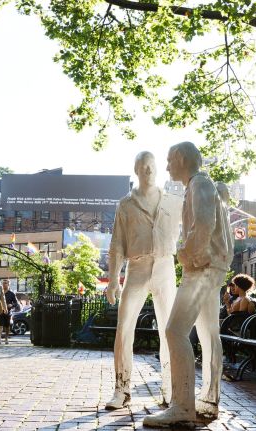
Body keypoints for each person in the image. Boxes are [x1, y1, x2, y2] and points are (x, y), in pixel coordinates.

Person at [143, 142, 232, 427]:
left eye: (170, 160)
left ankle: (182, 406)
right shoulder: (204, 184)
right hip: (211, 267)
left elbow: (203, 224)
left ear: (181, 159)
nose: (167, 166)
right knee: (208, 333)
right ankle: (209, 400)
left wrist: (186, 253)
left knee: (174, 331)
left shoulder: (199, 184)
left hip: (202, 267)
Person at [104, 151, 183, 410]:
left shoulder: (173, 202)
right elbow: (117, 244)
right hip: (136, 268)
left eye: (151, 166)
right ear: (136, 170)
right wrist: (113, 280)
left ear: (157, 169)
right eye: (143, 166)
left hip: (165, 267)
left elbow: (190, 234)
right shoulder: (126, 205)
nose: (148, 170)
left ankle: (169, 389)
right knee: (124, 327)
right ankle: (121, 389)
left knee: (168, 330)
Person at [0, 279, 20, 345]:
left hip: (8, 312)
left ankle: (6, 339)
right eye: (3, 283)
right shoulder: (0, 292)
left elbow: (16, 303)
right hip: (0, 311)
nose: (4, 284)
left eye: (5, 283)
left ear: (9, 284)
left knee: (7, 326)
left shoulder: (12, 294)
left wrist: (12, 305)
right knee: (0, 325)